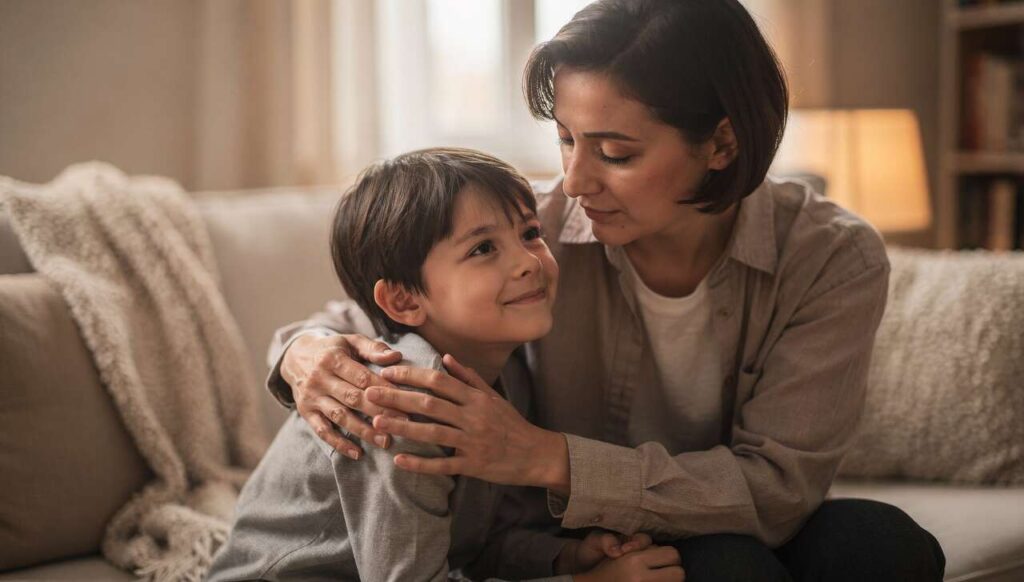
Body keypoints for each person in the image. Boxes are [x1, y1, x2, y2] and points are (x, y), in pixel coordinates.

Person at [267, 1, 946, 580]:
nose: (575, 181)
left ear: (722, 144)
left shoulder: (831, 258)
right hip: (595, 533)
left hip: (717, 512)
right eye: (566, 140)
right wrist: (304, 354)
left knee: (883, 545)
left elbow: (777, 491)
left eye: (616, 153)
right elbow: (379, 319)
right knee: (726, 568)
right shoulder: (535, 230)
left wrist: (544, 457)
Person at [207, 147, 682, 582]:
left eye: (530, 234)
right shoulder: (404, 403)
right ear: (403, 300)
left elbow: (471, 547)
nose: (528, 262)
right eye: (483, 249)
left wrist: (563, 558)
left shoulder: (502, 371)